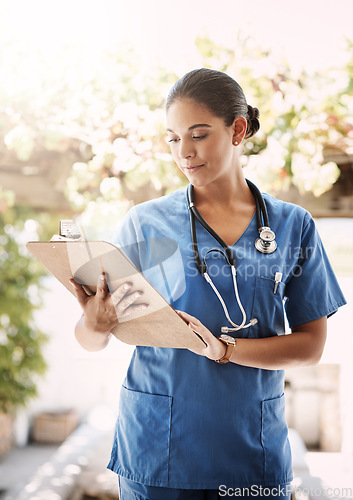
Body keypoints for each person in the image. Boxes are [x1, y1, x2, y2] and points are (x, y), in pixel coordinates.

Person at [70, 68, 346, 500]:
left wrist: (226, 350)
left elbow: (310, 346)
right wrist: (95, 325)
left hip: (250, 451)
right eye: (173, 139)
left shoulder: (294, 226)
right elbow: (91, 339)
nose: (184, 152)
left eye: (198, 135)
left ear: (237, 130)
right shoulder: (145, 223)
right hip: (157, 448)